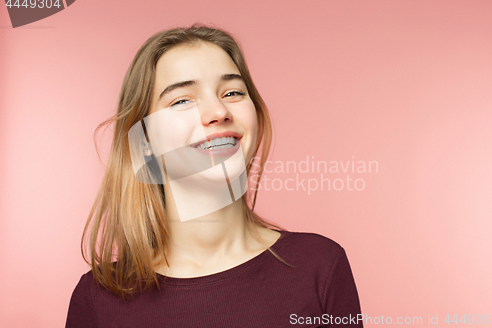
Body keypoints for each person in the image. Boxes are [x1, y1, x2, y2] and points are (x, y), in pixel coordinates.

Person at [65, 24, 363, 328]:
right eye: (182, 100)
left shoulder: (320, 266)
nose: (218, 111)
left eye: (232, 92)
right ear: (145, 141)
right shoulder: (97, 300)